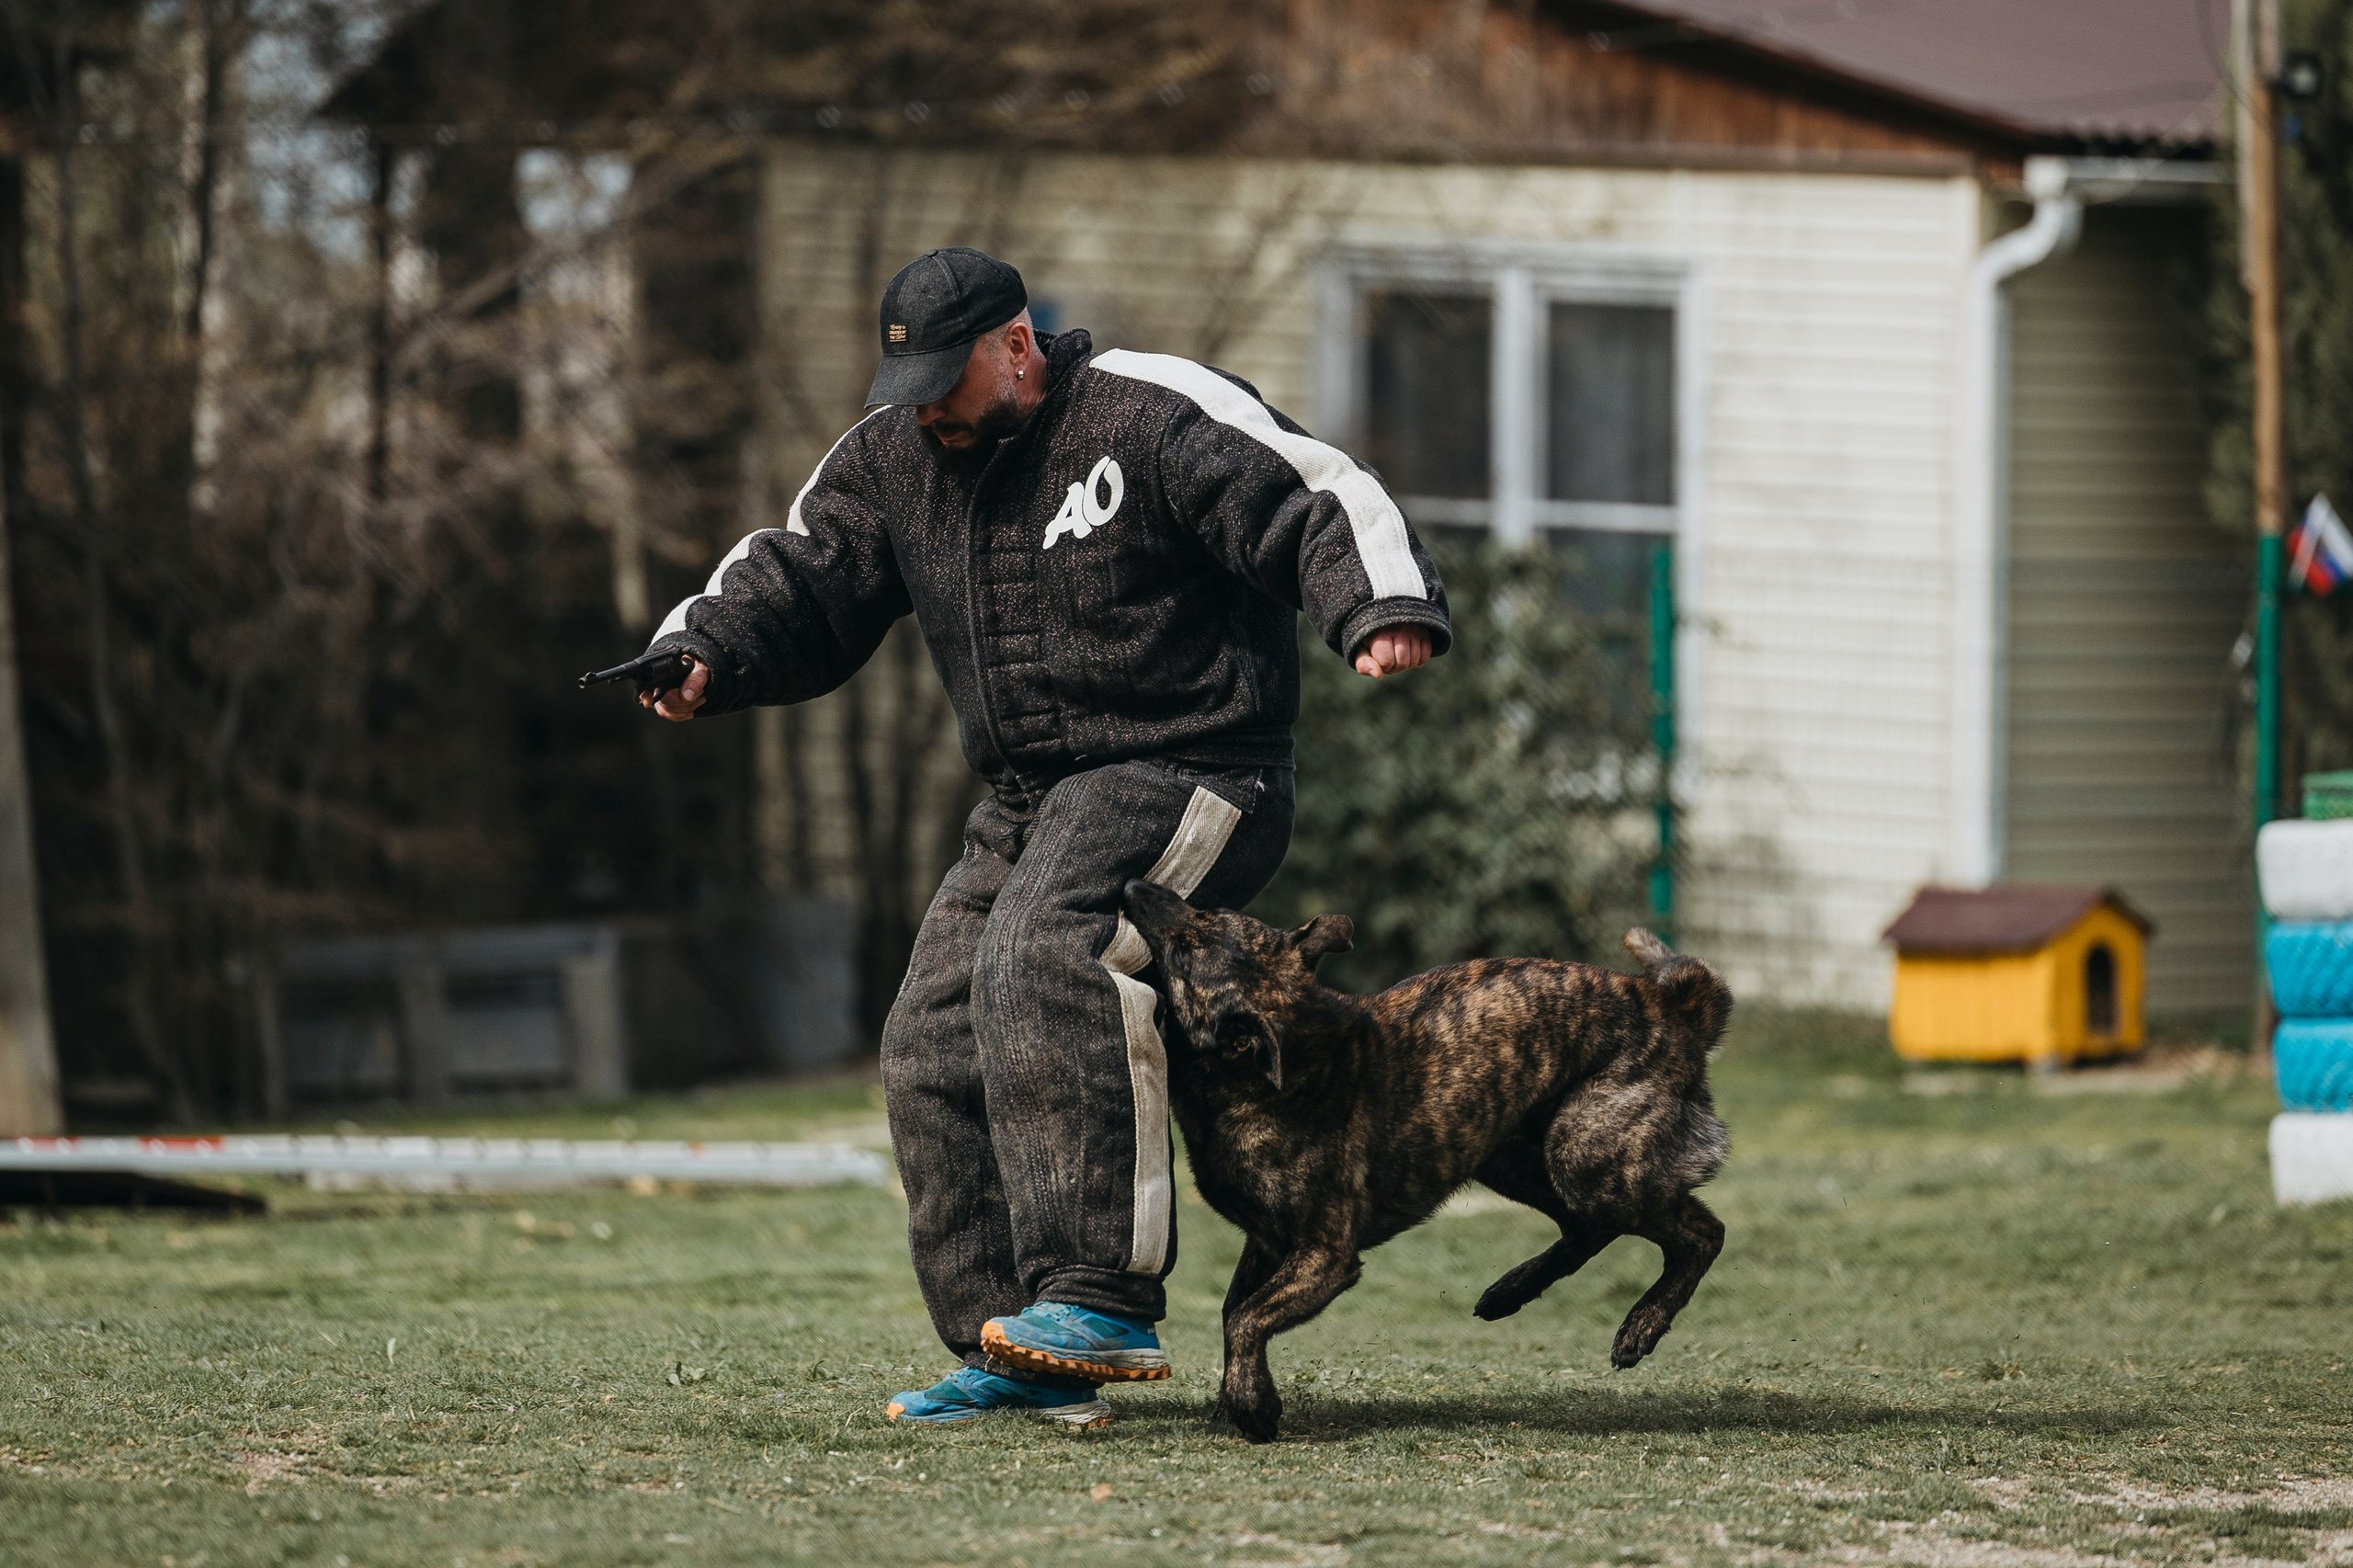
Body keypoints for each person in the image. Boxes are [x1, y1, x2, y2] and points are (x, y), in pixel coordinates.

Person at [634, 246, 1449, 1428]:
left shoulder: (1147, 410)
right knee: (931, 1032)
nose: (924, 411)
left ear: (1015, 346)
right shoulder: (889, 459)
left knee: (1045, 948)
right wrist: (705, 652)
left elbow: (1309, 490)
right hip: (1028, 798)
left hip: (1194, 767)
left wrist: (1375, 603)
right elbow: (798, 576)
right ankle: (1012, 1344)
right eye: (903, 383)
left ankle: (1097, 1291)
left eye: (942, 381)